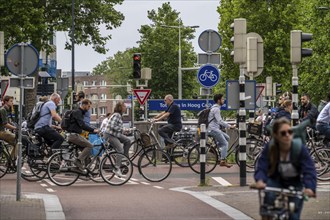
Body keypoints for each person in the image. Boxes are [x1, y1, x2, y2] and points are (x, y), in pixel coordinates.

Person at [254, 118, 316, 220]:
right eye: (283, 133)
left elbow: (309, 169)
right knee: (269, 198)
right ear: (276, 135)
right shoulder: (270, 148)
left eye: (290, 132)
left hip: (295, 182)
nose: (287, 135)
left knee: (294, 214)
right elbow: (262, 166)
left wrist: (310, 187)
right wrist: (260, 180)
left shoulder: (299, 148)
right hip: (276, 180)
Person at [66, 99, 99, 171]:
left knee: (86, 152)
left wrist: (93, 129)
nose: (89, 108)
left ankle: (85, 170)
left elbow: (83, 125)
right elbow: (82, 125)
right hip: (74, 135)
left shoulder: (79, 112)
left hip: (74, 135)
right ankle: (78, 161)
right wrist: (93, 130)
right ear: (84, 105)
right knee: (90, 146)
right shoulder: (78, 112)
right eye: (88, 106)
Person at [208, 94, 235, 168]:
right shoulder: (216, 109)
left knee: (227, 138)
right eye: (222, 99)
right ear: (218, 100)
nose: (224, 100)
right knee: (225, 143)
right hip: (213, 129)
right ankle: (223, 160)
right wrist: (229, 126)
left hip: (213, 129)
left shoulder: (215, 108)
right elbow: (220, 121)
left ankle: (212, 148)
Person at [103, 101, 130, 176]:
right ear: (120, 107)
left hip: (115, 134)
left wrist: (125, 130)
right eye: (124, 106)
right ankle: (117, 168)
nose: (125, 107)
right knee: (120, 149)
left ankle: (125, 157)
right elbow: (112, 126)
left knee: (127, 140)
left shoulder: (119, 115)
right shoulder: (117, 115)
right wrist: (122, 129)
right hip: (109, 135)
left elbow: (117, 127)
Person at [0, 96, 17, 160]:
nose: (12, 103)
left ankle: (9, 159)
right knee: (17, 140)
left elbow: (8, 122)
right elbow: (5, 124)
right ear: (6, 102)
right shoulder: (3, 110)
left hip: (2, 131)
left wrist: (13, 125)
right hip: (1, 132)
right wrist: (15, 128)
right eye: (11, 101)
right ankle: (11, 160)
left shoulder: (6, 110)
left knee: (15, 143)